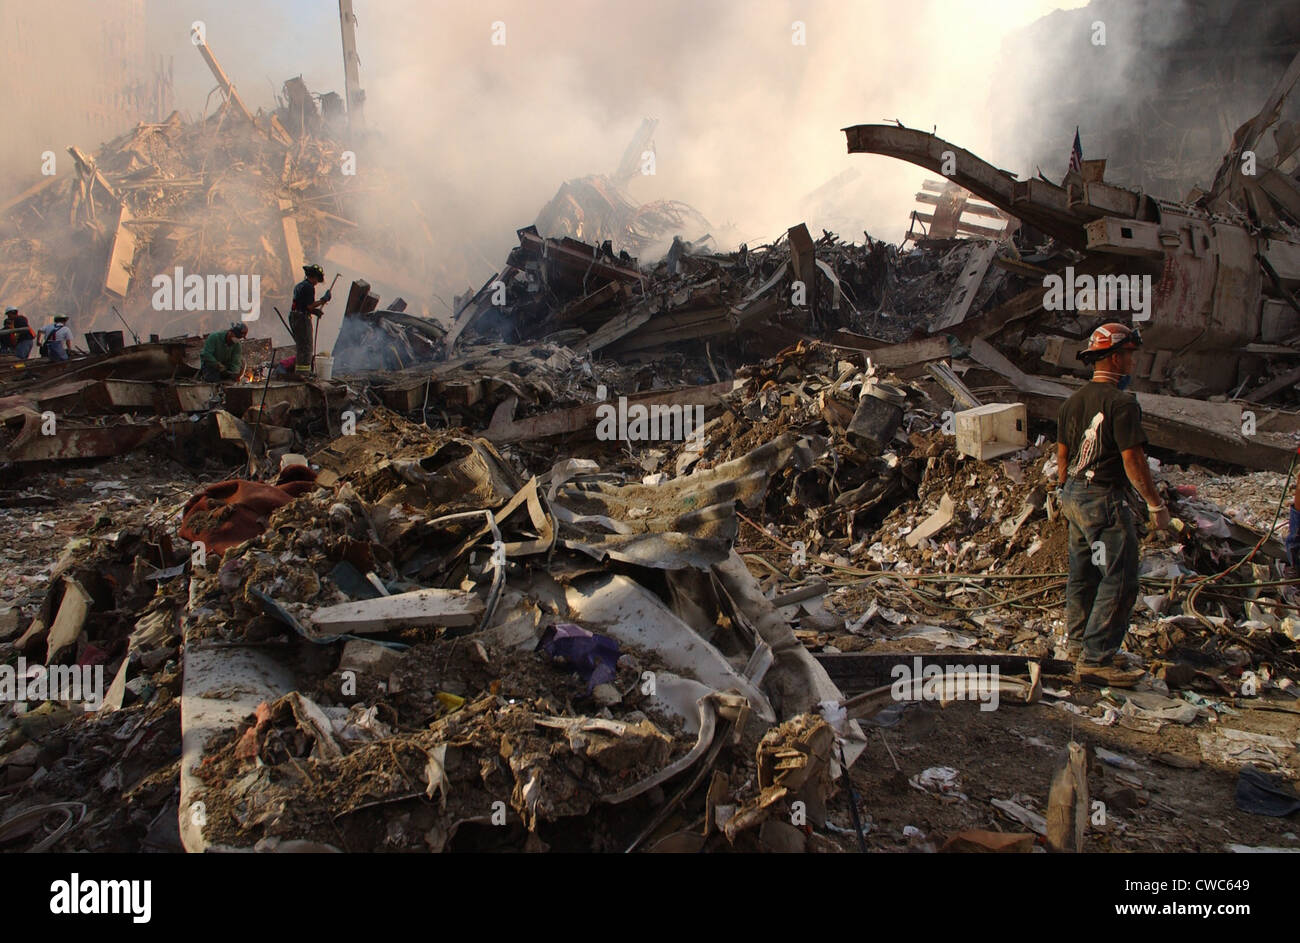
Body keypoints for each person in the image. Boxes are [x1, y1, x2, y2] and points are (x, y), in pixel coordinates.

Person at [1055, 322, 1171, 687]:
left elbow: (1061, 455)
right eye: (1131, 354)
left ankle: (1077, 646)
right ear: (1116, 357)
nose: (1133, 361)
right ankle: (1096, 657)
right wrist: (1154, 504)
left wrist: (1064, 491)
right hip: (1102, 497)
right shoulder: (1122, 403)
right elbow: (1132, 459)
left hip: (1073, 493)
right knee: (1119, 577)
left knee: (1083, 573)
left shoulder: (1072, 401)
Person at [290, 263, 331, 379]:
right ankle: (303, 374)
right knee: (306, 346)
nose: (317, 282)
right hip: (302, 318)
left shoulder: (300, 285)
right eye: (317, 279)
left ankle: (301, 372)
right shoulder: (309, 287)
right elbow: (308, 306)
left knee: (301, 346)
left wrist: (315, 312)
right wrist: (323, 300)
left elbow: (302, 305)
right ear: (313, 276)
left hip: (295, 316)